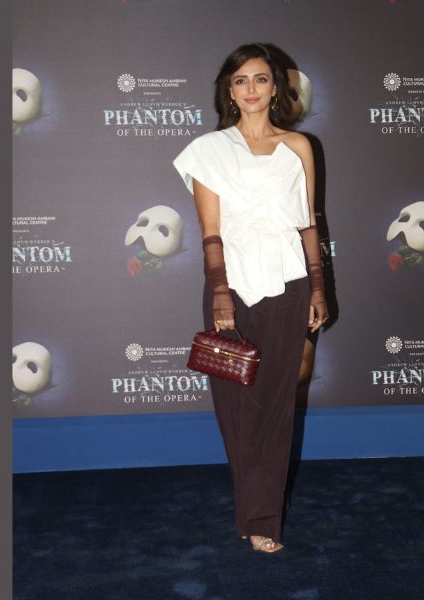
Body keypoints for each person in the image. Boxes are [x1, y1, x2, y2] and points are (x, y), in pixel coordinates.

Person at [173, 43, 328, 554]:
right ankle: (252, 507)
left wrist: (318, 287)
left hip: (289, 285)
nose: (252, 89)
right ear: (229, 90)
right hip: (233, 288)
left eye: (261, 79)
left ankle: (262, 519)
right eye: (241, 80)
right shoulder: (209, 149)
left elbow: (308, 223)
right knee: (236, 407)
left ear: (276, 87)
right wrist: (220, 292)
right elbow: (210, 231)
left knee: (276, 407)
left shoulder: (299, 147)